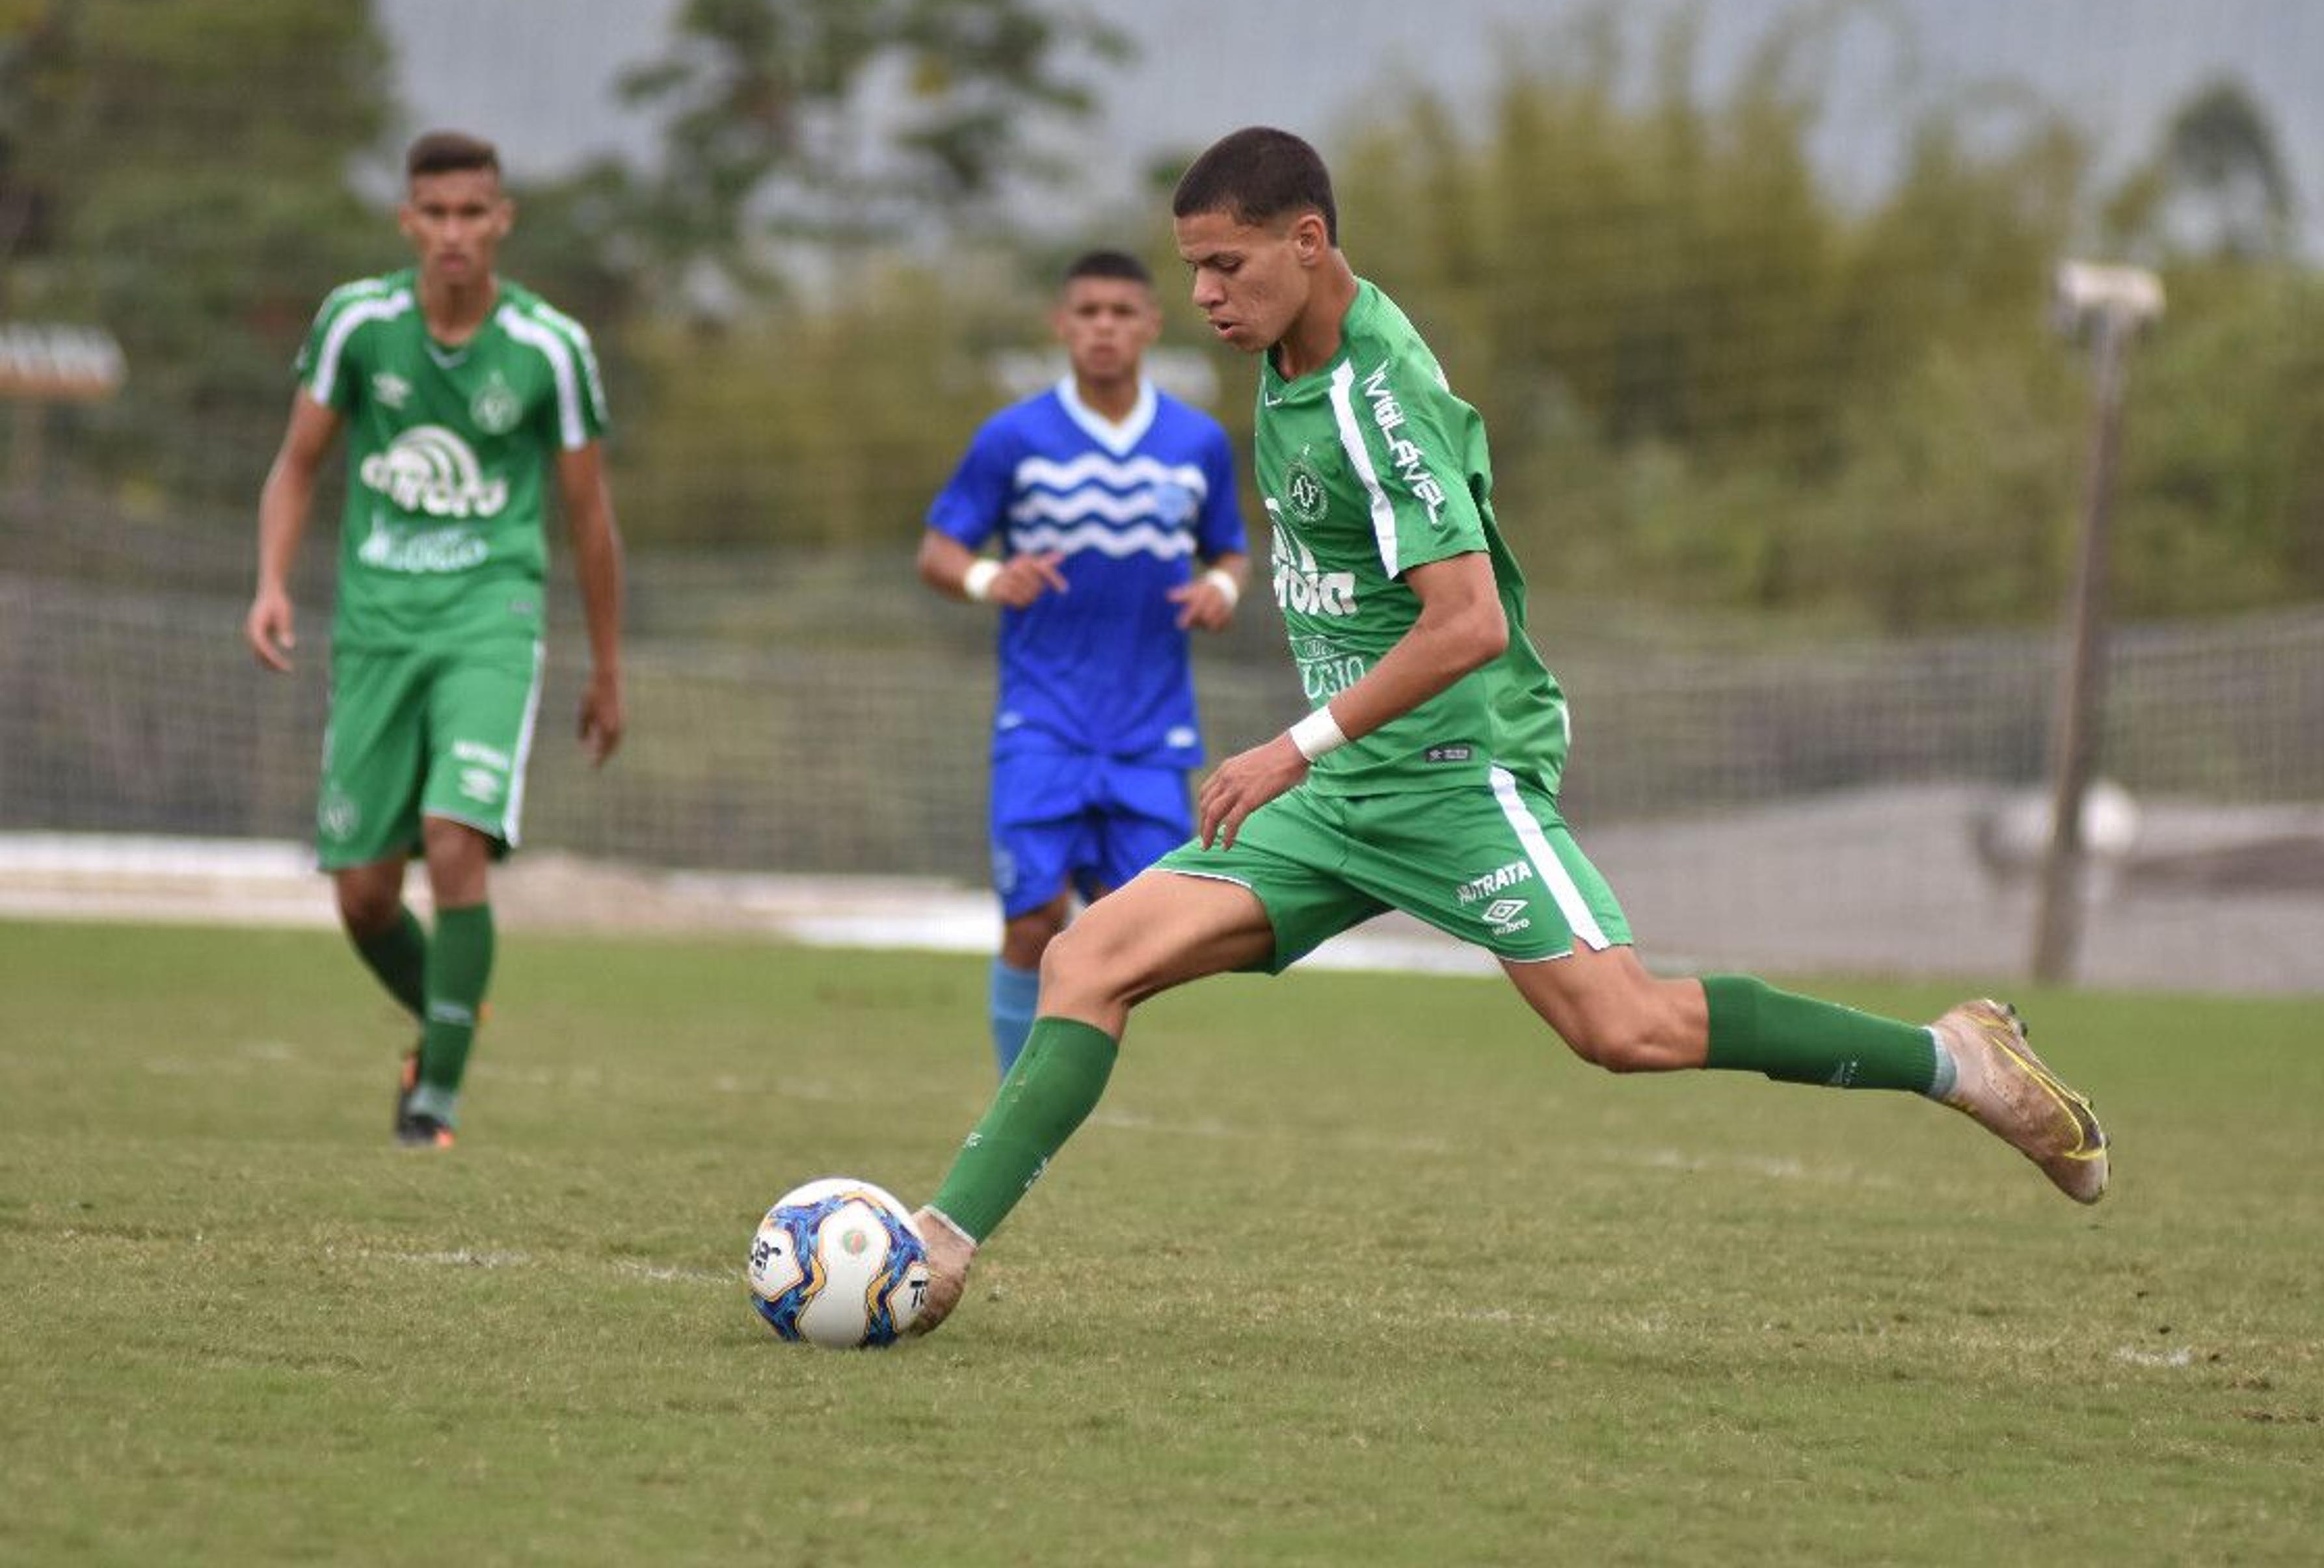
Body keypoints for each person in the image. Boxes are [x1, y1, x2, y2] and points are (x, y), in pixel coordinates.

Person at [905, 126, 2108, 1333]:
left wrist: (1291, 746)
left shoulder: (1381, 395)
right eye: (1195, 272)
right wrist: (1314, 761)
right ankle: (937, 1249)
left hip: (1451, 775)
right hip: (1335, 798)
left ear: (1308, 241)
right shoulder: (1285, 360)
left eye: (1228, 265)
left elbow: (1469, 623)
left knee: (1625, 1028)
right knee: (1085, 960)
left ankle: (1957, 1060)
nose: (1206, 297)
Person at [246, 129, 624, 1150]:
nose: (455, 232)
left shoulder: (551, 347)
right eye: (437, 213)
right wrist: (272, 583)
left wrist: (607, 670)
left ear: (502, 221)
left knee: (457, 840)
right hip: (376, 629)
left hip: (489, 620)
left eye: (474, 213)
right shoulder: (357, 324)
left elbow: (591, 520)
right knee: (365, 896)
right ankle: (451, 1007)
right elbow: (295, 466)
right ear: (408, 220)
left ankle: (435, 1101)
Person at [916, 249, 1251, 1074]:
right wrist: (994, 577)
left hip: (1150, 731)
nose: (1104, 327)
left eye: (1121, 312)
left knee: (1135, 937)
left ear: (1150, 325)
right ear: (1062, 325)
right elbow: (939, 549)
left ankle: (1069, 1086)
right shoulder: (1014, 436)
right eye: (1089, 312)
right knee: (1032, 923)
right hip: (1044, 724)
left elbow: (1232, 553)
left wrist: (1222, 591)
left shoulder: (1195, 442)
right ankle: (1012, 1100)